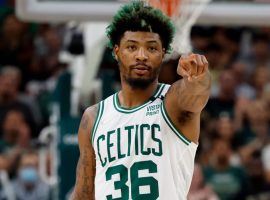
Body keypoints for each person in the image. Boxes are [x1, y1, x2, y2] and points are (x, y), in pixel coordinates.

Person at [71, 1, 211, 199]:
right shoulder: (93, 117)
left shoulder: (172, 103)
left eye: (152, 48)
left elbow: (195, 94)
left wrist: (198, 76)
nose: (142, 56)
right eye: (132, 47)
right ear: (117, 51)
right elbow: (83, 194)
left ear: (163, 54)